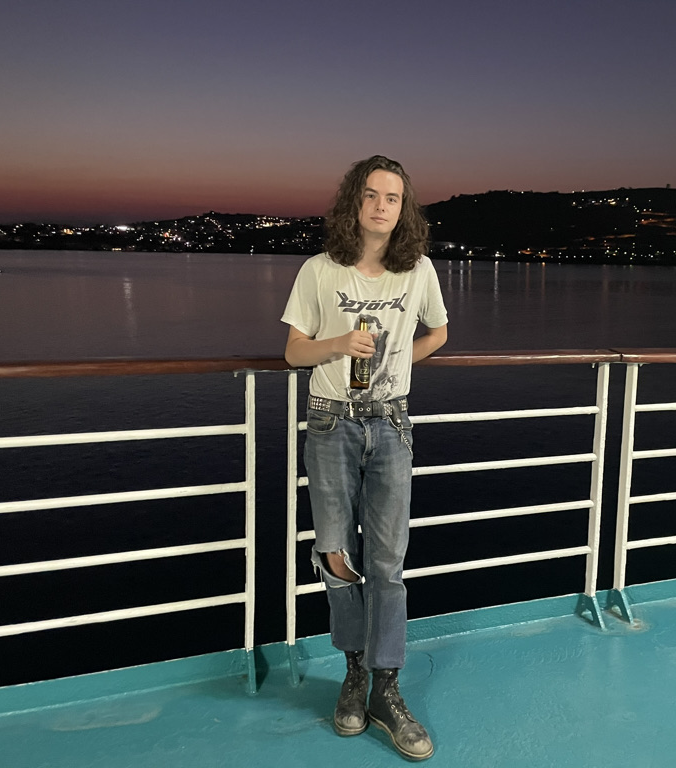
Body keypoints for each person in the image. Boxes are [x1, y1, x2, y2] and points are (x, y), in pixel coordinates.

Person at [282, 155, 448, 761]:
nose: (382, 205)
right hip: (330, 422)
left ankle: (385, 685)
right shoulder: (320, 271)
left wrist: (399, 363)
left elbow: (439, 332)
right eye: (372, 195)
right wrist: (338, 343)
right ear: (354, 202)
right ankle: (353, 671)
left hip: (391, 422)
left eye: (394, 198)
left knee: (387, 560)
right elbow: (294, 352)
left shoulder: (418, 271)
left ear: (405, 210)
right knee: (336, 552)